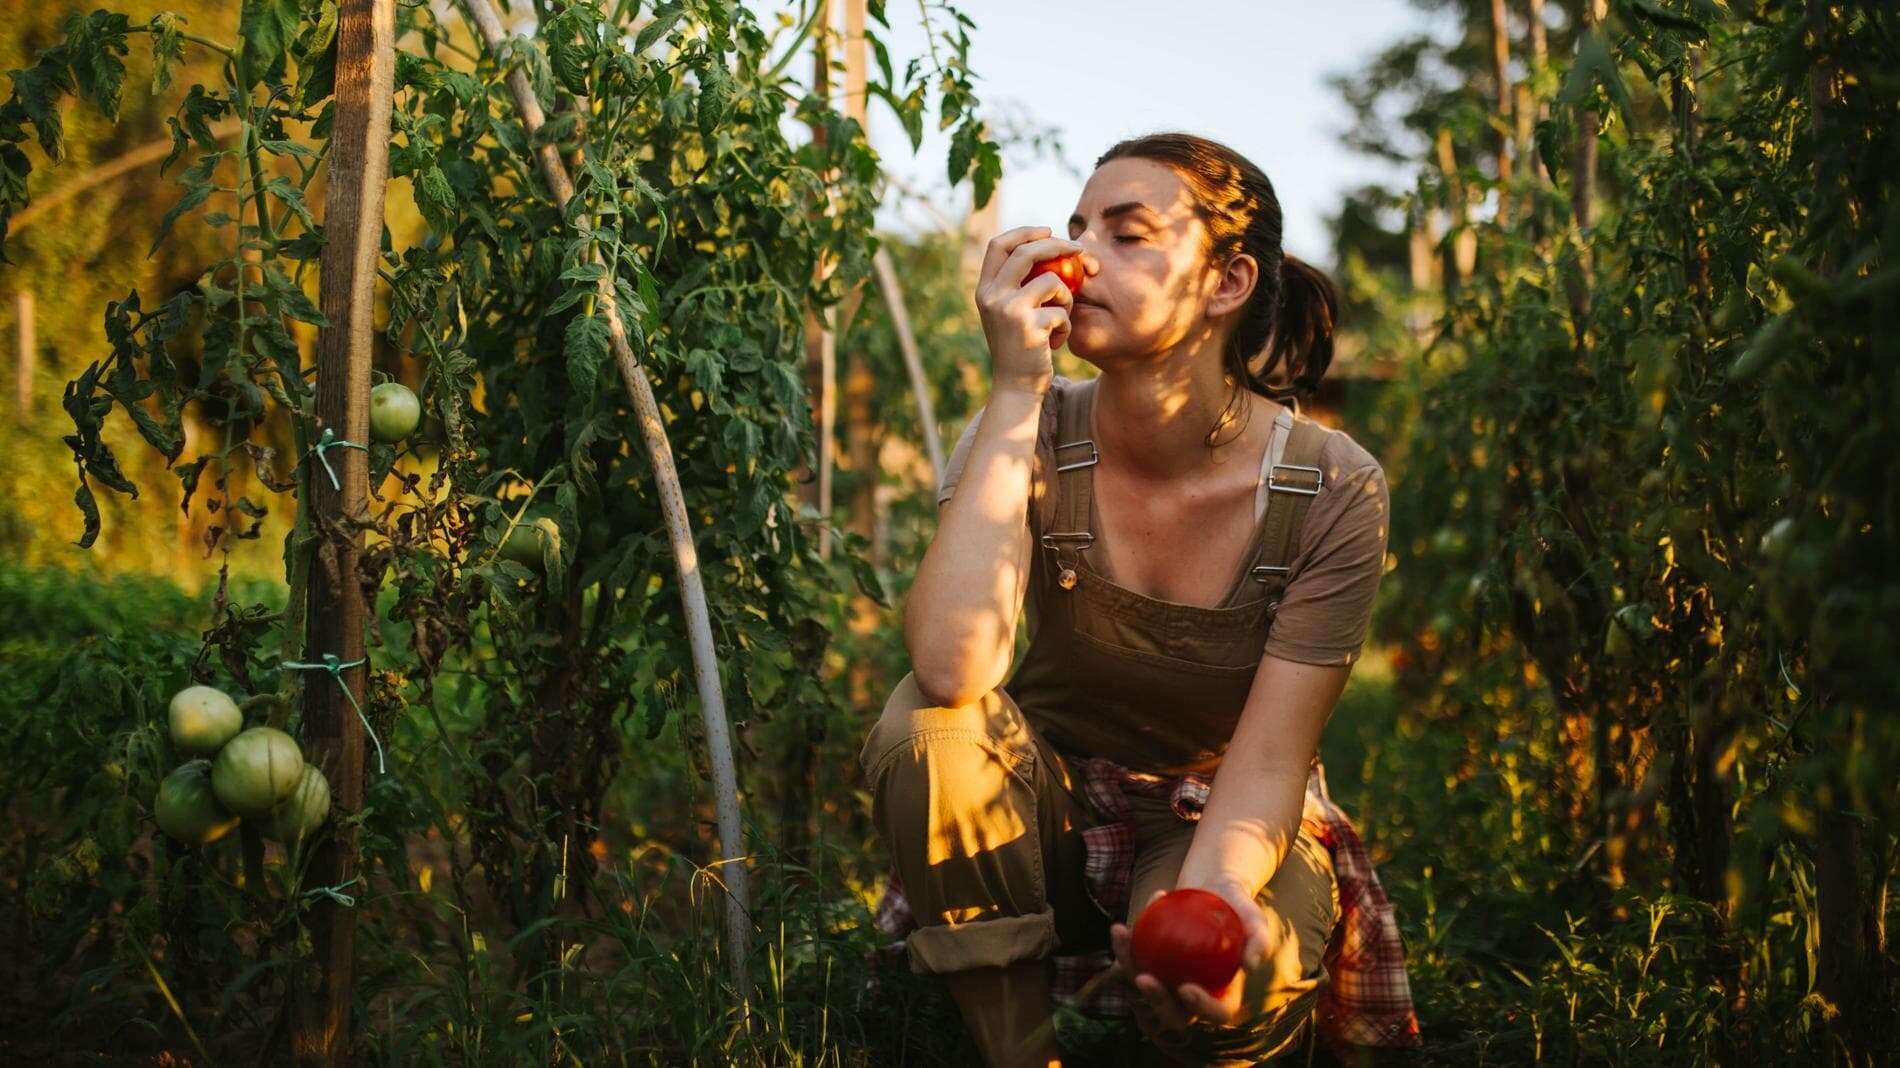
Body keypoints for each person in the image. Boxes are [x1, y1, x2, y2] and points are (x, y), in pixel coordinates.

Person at [860, 132, 1416, 1066]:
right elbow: (953, 666)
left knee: (1230, 989)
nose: (1076, 258)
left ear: (1228, 282)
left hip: (1220, 808)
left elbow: (1271, 760)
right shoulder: (1024, 429)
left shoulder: (1329, 488)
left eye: (1129, 234)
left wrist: (1210, 906)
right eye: (1078, 227)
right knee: (929, 722)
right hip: (1046, 813)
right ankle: (1018, 1051)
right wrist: (1009, 394)